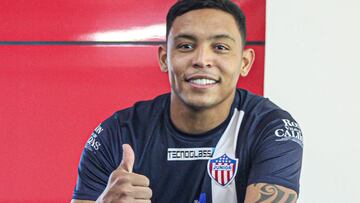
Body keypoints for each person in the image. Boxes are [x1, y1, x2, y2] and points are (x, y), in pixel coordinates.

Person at [71, 0, 303, 202]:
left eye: (220, 47)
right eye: (186, 46)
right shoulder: (118, 133)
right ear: (164, 58)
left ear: (245, 62)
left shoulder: (271, 128)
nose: (202, 60)